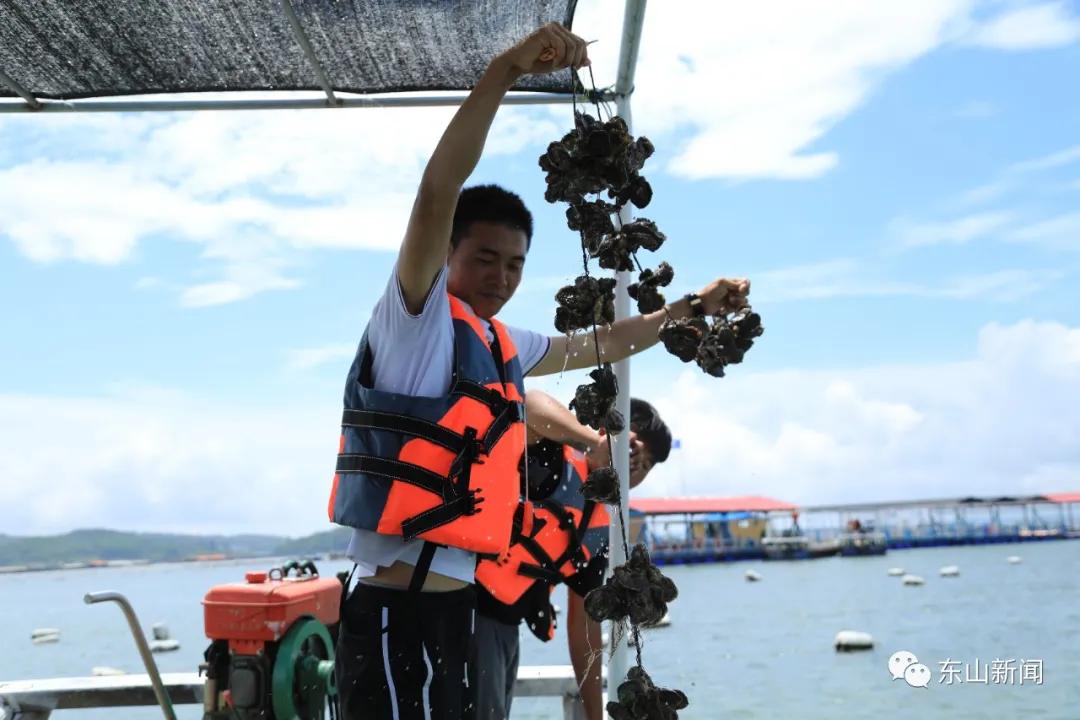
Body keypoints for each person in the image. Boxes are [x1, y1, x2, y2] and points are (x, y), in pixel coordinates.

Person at [327, 22, 750, 720]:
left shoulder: (500, 343)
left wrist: (693, 307)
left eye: (515, 264)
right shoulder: (414, 320)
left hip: (455, 610)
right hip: (395, 611)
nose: (501, 276)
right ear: (446, 252)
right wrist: (506, 70)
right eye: (484, 258)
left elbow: (603, 343)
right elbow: (438, 188)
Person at [471, 391, 672, 720]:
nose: (634, 464)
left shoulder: (598, 533)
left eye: (646, 464)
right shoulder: (548, 449)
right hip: (460, 603)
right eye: (632, 447)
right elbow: (530, 405)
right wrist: (594, 442)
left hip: (505, 629)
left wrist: (595, 715)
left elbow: (585, 631)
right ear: (607, 429)